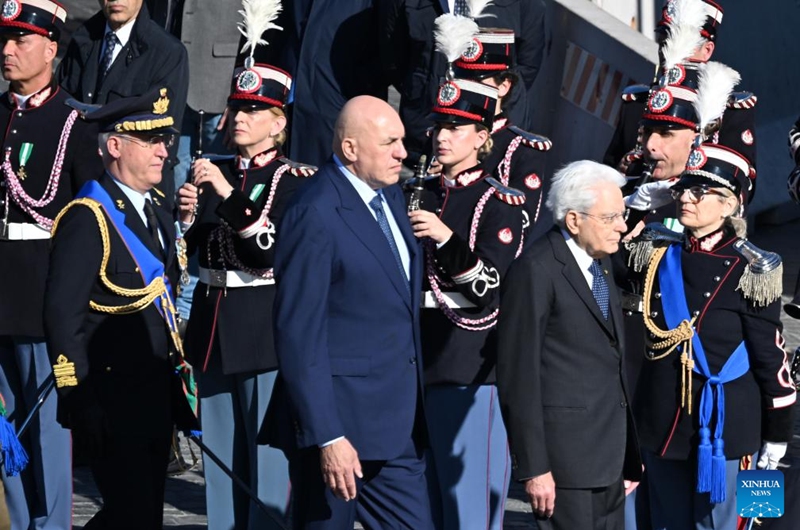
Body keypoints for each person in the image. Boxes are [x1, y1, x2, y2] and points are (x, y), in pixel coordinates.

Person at [261, 95, 433, 529]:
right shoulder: (314, 211)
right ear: (351, 149)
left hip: (395, 429)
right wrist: (328, 435)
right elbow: (300, 334)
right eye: (390, 142)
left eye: (403, 141)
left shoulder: (390, 196)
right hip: (338, 433)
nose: (403, 152)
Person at [175, 16, 315, 527]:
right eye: (238, 107)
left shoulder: (296, 180)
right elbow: (197, 255)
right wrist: (188, 218)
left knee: (266, 468)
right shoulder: (214, 168)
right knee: (220, 465)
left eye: (255, 111)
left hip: (261, 328)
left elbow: (266, 252)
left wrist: (228, 197)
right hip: (214, 327)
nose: (240, 118)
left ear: (279, 121)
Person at [43, 87, 198, 530]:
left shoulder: (157, 214)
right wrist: (78, 398)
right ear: (114, 146)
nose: (164, 152)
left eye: (165, 141)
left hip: (153, 398)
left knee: (143, 515)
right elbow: (62, 317)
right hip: (110, 402)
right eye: (150, 141)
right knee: (129, 514)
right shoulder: (88, 218)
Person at [626, 143, 796, 529]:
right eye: (684, 189)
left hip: (731, 431)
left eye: (700, 192)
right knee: (666, 523)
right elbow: (606, 249)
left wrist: (778, 434)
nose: (686, 198)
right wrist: (635, 206)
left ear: (730, 204)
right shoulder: (656, 250)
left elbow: (771, 356)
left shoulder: (754, 268)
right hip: (664, 422)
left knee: (742, 523)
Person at [0, 2, 104, 528]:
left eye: (21, 40)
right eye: (5, 39)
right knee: (2, 428)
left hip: (42, 293)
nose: (7, 50)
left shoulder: (74, 122)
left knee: (45, 429)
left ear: (51, 49)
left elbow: (89, 221)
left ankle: (51, 522)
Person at [497, 160, 642, 530]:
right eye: (610, 218)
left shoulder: (600, 262)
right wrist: (534, 468)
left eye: (622, 216)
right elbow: (519, 374)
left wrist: (627, 456)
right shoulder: (537, 270)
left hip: (610, 459)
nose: (622, 227)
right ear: (574, 221)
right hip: (566, 465)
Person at [406, 77, 524, 529]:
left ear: (482, 137)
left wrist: (444, 236)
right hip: (416, 359)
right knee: (426, 507)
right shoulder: (419, 191)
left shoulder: (498, 201)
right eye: (440, 126)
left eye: (457, 127)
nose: (442, 136)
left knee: (469, 509)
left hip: (466, 361)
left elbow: (488, 288)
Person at [380, 0, 547, 169]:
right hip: (425, 133)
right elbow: (394, 60)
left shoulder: (526, 4)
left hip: (493, 143)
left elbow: (527, 66)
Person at [604, 0, 756, 177]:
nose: (666, 50)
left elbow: (738, 186)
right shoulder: (637, 104)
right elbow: (610, 169)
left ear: (707, 50)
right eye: (663, 41)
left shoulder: (730, 112)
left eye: (680, 42)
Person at [57, 0, 189, 200]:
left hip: (133, 190)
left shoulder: (167, 52)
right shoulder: (82, 39)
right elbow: (63, 105)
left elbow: (160, 140)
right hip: (79, 184)